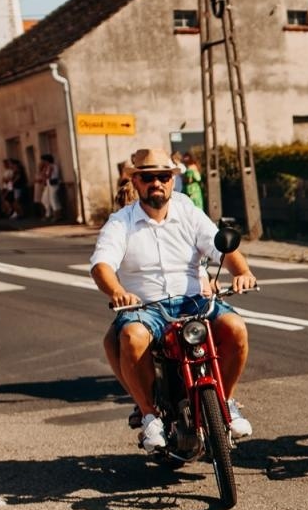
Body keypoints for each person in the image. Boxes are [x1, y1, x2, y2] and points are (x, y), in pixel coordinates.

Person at [89, 148, 258, 449]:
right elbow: (102, 265)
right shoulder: (120, 222)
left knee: (236, 327)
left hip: (194, 300)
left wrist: (242, 272)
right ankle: (149, 416)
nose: (157, 183)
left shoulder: (188, 211)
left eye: (163, 177)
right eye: (148, 177)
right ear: (136, 182)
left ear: (172, 181)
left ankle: (227, 402)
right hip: (145, 308)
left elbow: (222, 248)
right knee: (131, 336)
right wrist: (117, 291)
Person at [38, 154, 61, 221]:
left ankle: (57, 216)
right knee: (45, 199)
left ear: (46, 160)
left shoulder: (52, 166)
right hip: (49, 185)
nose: (41, 162)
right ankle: (50, 214)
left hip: (53, 184)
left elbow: (48, 176)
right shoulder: (48, 167)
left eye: (42, 160)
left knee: (53, 200)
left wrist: (43, 173)